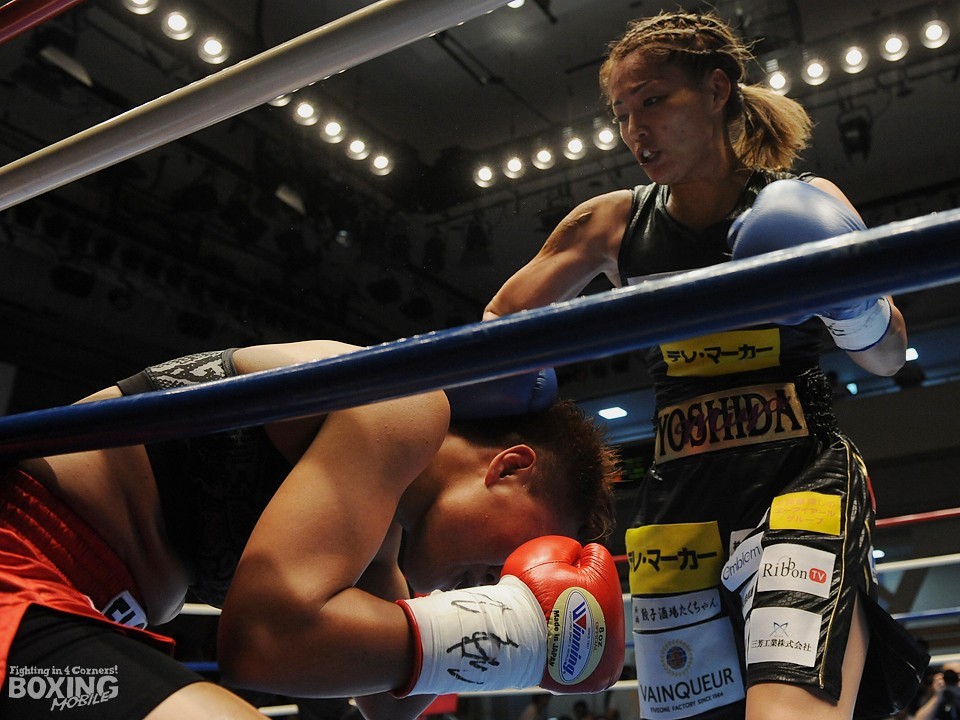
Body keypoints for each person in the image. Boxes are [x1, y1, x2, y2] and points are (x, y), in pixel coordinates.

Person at [483, 10, 928, 720]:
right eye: (622, 113)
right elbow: (497, 327)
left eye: (654, 100)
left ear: (717, 90)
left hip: (797, 487)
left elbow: (887, 356)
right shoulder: (614, 225)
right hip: (678, 515)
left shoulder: (804, 204)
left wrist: (852, 303)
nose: (636, 129)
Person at [0, 340, 625, 720]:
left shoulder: (375, 538)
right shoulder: (405, 401)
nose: (504, 577)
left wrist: (515, 645)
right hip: (21, 560)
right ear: (510, 467)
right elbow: (264, 643)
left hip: (74, 612)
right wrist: (516, 636)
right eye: (522, 548)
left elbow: (389, 707)